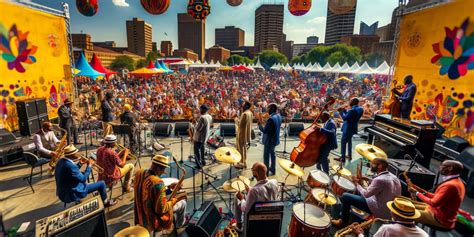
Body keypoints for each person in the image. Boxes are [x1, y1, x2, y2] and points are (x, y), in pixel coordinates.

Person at [332, 158, 401, 227]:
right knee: (359, 190)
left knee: (345, 196)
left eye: (373, 164)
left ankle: (343, 221)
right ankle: (347, 211)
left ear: (380, 166)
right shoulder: (393, 177)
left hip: (379, 210)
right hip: (389, 209)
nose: (370, 165)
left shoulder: (380, 180)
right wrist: (367, 178)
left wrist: (356, 183)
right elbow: (381, 185)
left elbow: (366, 194)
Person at [134, 154, 187, 232]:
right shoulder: (158, 183)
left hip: (141, 211)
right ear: (158, 168)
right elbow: (162, 209)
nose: (164, 172)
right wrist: (176, 199)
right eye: (163, 169)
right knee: (183, 203)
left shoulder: (140, 172)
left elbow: (149, 192)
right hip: (153, 217)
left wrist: (169, 188)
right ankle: (180, 224)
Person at [409, 160, 465, 229]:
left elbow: (434, 203)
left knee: (404, 212)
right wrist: (420, 190)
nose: (440, 167)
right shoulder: (457, 181)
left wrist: (417, 193)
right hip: (437, 211)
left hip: (440, 218)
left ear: (450, 168)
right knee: (409, 204)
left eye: (442, 165)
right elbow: (438, 197)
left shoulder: (451, 185)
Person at [234, 162, 279, 231]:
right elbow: (264, 190)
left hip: (257, 219)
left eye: (252, 170)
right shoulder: (274, 182)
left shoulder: (254, 192)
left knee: (236, 196)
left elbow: (245, 210)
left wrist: (242, 199)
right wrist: (250, 189)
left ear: (256, 174)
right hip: (271, 218)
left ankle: (239, 224)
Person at [353, 198, 428, 237]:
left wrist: (360, 234)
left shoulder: (387, 229)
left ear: (395, 214)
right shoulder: (424, 235)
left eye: (391, 210)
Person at [336, 97, 363, 163]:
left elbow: (345, 118)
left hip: (347, 128)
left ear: (352, 102)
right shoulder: (360, 109)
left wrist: (341, 111)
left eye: (350, 101)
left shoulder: (352, 110)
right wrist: (345, 110)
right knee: (349, 141)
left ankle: (342, 158)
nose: (349, 102)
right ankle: (349, 155)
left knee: (343, 142)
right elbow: (349, 116)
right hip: (353, 127)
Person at [258, 103, 282, 176]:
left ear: (271, 109)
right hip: (275, 139)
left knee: (266, 156)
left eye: (268, 108)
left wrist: (259, 125)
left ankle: (266, 172)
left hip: (269, 141)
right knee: (273, 154)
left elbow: (265, 130)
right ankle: (273, 169)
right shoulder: (278, 116)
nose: (267, 110)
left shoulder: (271, 119)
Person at [235, 101, 253, 169]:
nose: (242, 106)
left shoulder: (244, 114)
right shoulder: (250, 113)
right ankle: (244, 162)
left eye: (243, 105)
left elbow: (240, 124)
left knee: (241, 149)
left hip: (242, 134)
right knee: (244, 148)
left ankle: (241, 163)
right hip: (246, 134)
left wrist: (236, 119)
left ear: (246, 106)